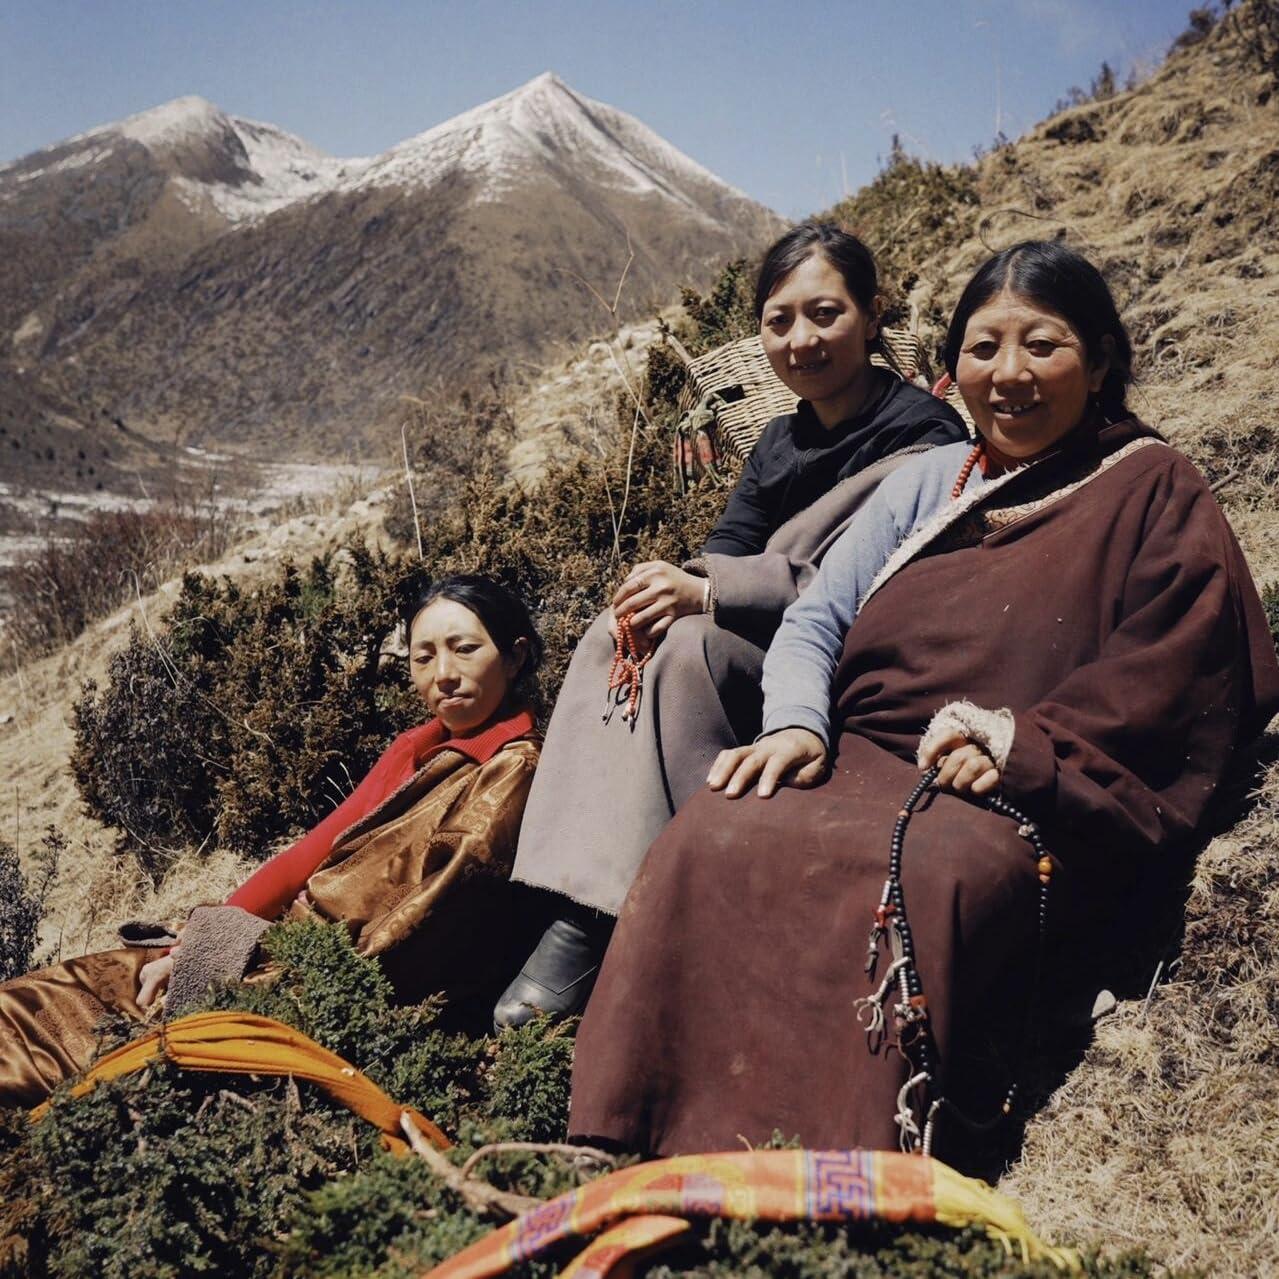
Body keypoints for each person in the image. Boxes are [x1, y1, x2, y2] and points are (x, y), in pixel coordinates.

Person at [567, 241, 1279, 1162]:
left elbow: (1173, 662)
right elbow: (816, 619)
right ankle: (636, 1132)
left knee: (928, 871)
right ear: (954, 368)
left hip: (1019, 777)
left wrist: (1023, 743)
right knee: (710, 836)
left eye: (1042, 345)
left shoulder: (1151, 485)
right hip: (860, 750)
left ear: (1099, 361)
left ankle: (852, 1159)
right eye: (984, 349)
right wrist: (793, 723)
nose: (1010, 374)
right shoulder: (929, 483)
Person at [494, 222, 969, 1028]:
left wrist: (706, 593)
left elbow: (869, 583)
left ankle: (644, 902)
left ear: (872, 313)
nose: (801, 339)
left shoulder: (923, 436)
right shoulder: (779, 439)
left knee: (689, 649)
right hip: (770, 628)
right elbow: (725, 550)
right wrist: (670, 586)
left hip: (844, 654)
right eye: (778, 320)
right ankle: (575, 894)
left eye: (824, 314)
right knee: (618, 636)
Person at [0, 575, 542, 1107]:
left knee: (59, 1047)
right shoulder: (418, 747)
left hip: (309, 980)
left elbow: (413, 939)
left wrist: (243, 974)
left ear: (514, 657)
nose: (443, 675)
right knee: (42, 998)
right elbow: (308, 854)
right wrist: (194, 947)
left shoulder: (509, 775)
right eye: (423, 658)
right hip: (269, 946)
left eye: (464, 650)